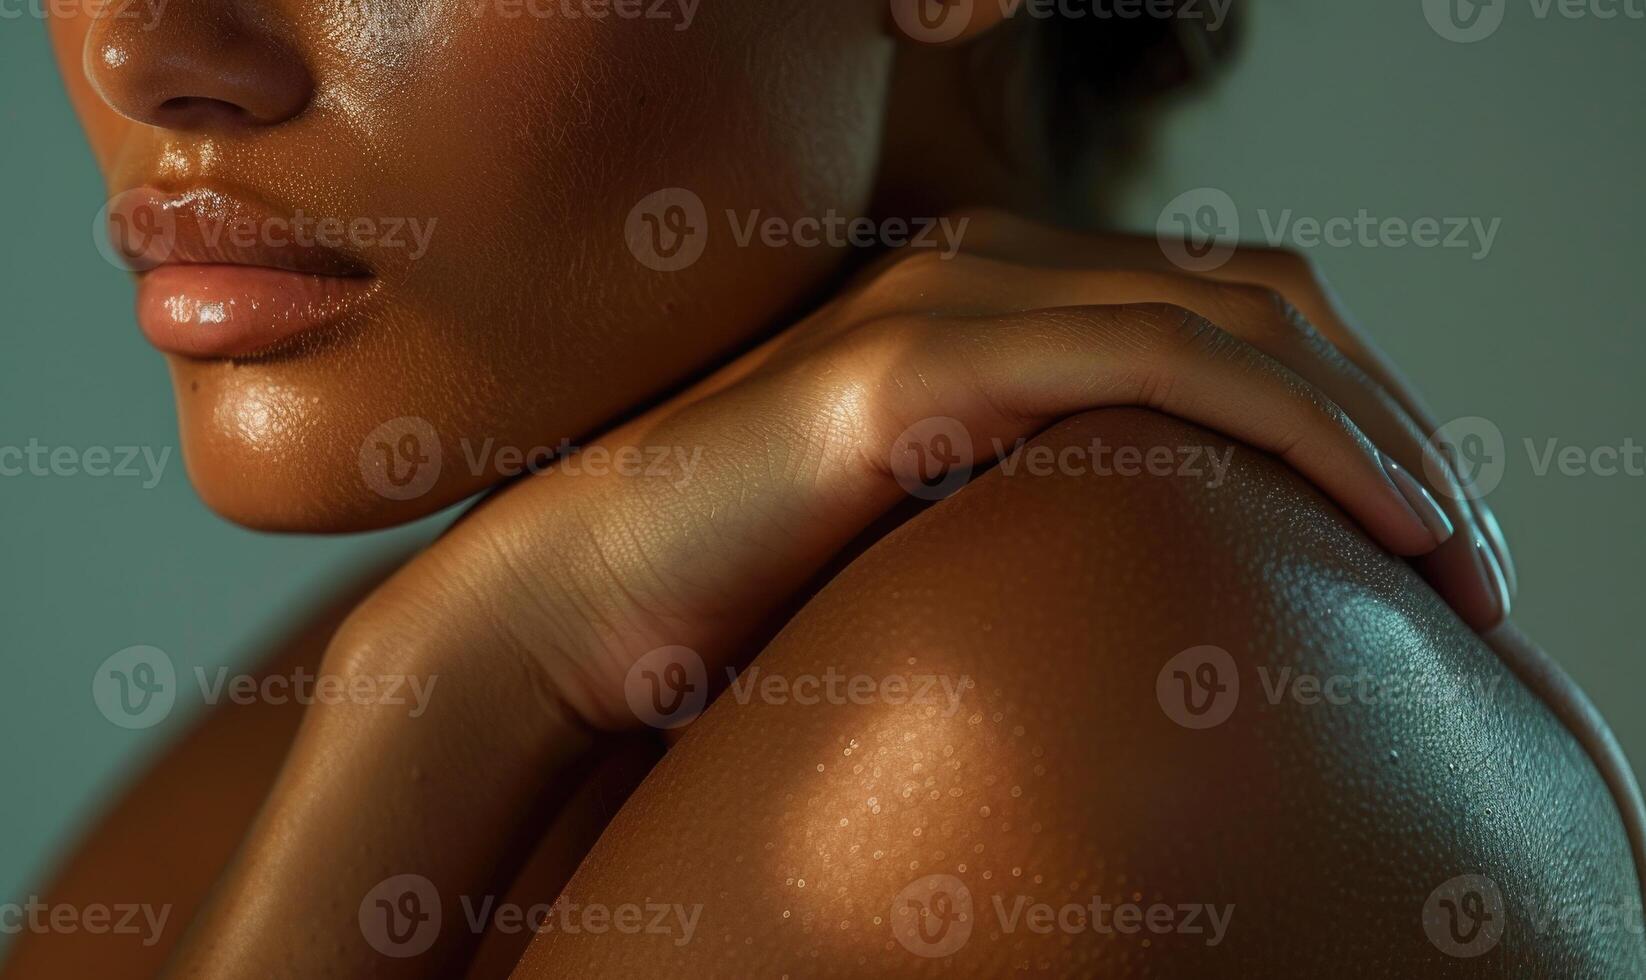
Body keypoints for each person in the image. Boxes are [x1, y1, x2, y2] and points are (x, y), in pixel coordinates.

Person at [9, 0, 1642, 975]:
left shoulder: (1048, 675)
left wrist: (452, 688)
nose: (150, 48)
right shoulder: (395, 671)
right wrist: (443, 683)